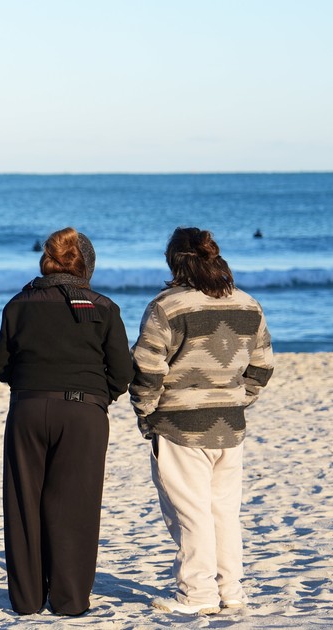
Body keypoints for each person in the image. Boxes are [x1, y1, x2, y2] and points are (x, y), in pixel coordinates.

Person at [130, 227, 273, 615]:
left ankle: (197, 596)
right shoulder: (248, 305)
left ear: (174, 260)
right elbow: (262, 365)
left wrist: (146, 413)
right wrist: (238, 401)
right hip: (230, 425)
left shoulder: (167, 306)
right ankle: (231, 591)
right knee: (224, 512)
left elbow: (147, 368)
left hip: (179, 424)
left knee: (190, 513)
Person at [0, 227, 134, 616]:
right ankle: (70, 602)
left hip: (28, 409)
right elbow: (122, 371)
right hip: (84, 414)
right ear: (86, 266)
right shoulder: (103, 307)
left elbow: (2, 366)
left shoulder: (18, 304)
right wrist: (97, 398)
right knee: (76, 507)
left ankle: (26, 600)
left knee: (24, 504)